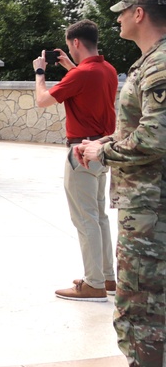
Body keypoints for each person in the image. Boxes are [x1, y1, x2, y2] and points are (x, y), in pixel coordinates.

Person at [77, 0, 166, 367]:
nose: (116, 18)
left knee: (140, 305)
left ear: (140, 14)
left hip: (151, 211)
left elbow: (155, 138)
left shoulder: (159, 64)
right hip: (146, 206)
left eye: (122, 11)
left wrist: (103, 149)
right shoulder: (150, 61)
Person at [33, 19, 118, 302]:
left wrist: (40, 73)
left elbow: (43, 100)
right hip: (102, 150)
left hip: (81, 152)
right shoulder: (107, 70)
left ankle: (93, 283)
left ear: (76, 43)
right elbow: (87, 86)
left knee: (85, 219)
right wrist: (71, 66)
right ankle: (106, 277)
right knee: (100, 217)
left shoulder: (81, 75)